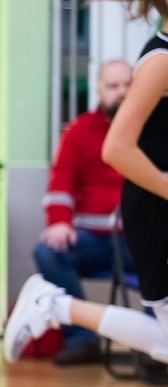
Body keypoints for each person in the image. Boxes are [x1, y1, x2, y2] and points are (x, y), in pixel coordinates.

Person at [6, 0, 168, 387]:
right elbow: (116, 148)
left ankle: (53, 306)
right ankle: (52, 305)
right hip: (155, 210)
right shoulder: (160, 60)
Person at [34, 58, 134, 365]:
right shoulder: (79, 131)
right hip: (92, 239)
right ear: (99, 90)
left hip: (138, 240)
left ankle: (157, 344)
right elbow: (61, 182)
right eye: (113, 86)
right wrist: (59, 224)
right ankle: (82, 338)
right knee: (47, 252)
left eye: (128, 85)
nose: (121, 92)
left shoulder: (154, 130)